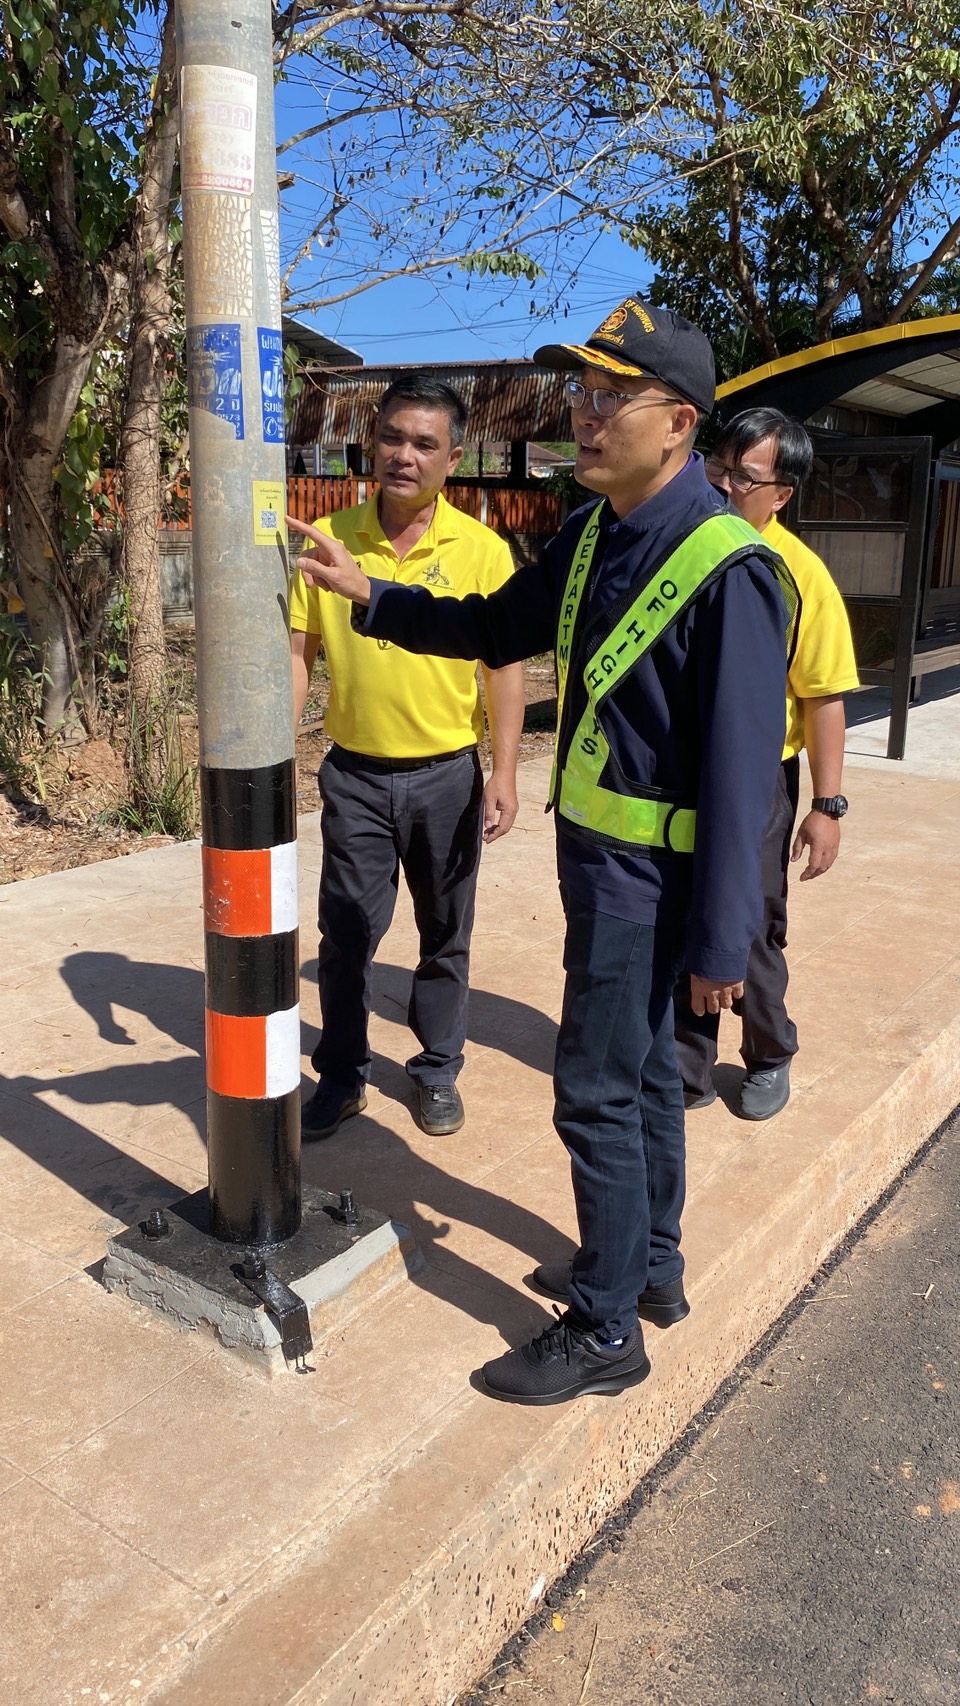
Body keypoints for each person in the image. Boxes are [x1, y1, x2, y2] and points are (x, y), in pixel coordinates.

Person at [287, 298, 795, 1405]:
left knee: (596, 1093)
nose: (585, 413)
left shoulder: (731, 567)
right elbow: (488, 625)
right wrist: (369, 594)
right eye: (582, 391)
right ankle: (646, 1268)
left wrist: (727, 945)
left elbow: (744, 776)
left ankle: (606, 1327)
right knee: (644, 1079)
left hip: (649, 889)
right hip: (602, 874)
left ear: (679, 423)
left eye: (611, 396)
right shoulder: (595, 535)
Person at [288, 373, 524, 1141]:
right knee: (346, 934)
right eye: (392, 437)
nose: (404, 455)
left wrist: (504, 771)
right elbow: (298, 655)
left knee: (444, 932)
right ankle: (343, 1076)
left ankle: (436, 1070)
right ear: (373, 442)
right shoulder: (331, 539)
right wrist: (273, 758)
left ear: (453, 459)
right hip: (355, 775)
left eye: (425, 443)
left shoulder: (482, 552)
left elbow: (503, 669)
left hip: (447, 778)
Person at [674, 409, 859, 1121]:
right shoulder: (684, 548)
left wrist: (826, 805)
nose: (723, 486)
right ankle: (687, 1068)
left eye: (744, 478)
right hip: (679, 772)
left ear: (782, 493)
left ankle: (769, 1053)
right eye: (717, 467)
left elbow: (823, 697)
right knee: (682, 914)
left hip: (756, 780)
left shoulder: (799, 574)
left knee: (748, 923)